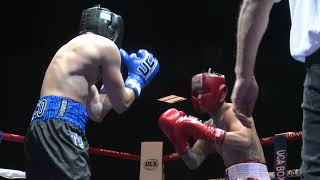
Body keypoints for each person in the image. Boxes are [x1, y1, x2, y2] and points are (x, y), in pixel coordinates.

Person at [24, 4, 160, 180]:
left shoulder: (72, 51)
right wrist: (137, 79)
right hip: (62, 128)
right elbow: (121, 103)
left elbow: (97, 111)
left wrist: (112, 85)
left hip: (39, 128)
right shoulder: (107, 47)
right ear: (112, 29)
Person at [231, 0, 320, 179]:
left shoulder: (227, 115)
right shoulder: (209, 123)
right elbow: (193, 160)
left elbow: (256, 3)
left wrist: (244, 75)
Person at [158, 69, 270, 180]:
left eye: (205, 91)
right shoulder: (209, 125)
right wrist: (179, 143)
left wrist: (208, 133)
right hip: (233, 176)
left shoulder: (234, 111)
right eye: (196, 93)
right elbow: (194, 162)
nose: (199, 98)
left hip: (253, 175)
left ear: (222, 92)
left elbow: (245, 139)